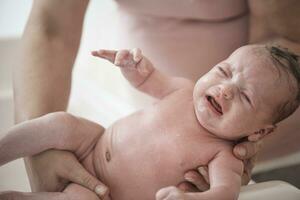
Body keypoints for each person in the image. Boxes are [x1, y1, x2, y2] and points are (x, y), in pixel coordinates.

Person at [10, 0, 300, 199]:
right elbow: (148, 80)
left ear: (259, 131)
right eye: (223, 71)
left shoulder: (226, 155)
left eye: (245, 96)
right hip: (95, 141)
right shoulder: (185, 91)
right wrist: (132, 66)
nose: (225, 89)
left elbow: (224, 193)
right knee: (58, 124)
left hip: (105, 192)